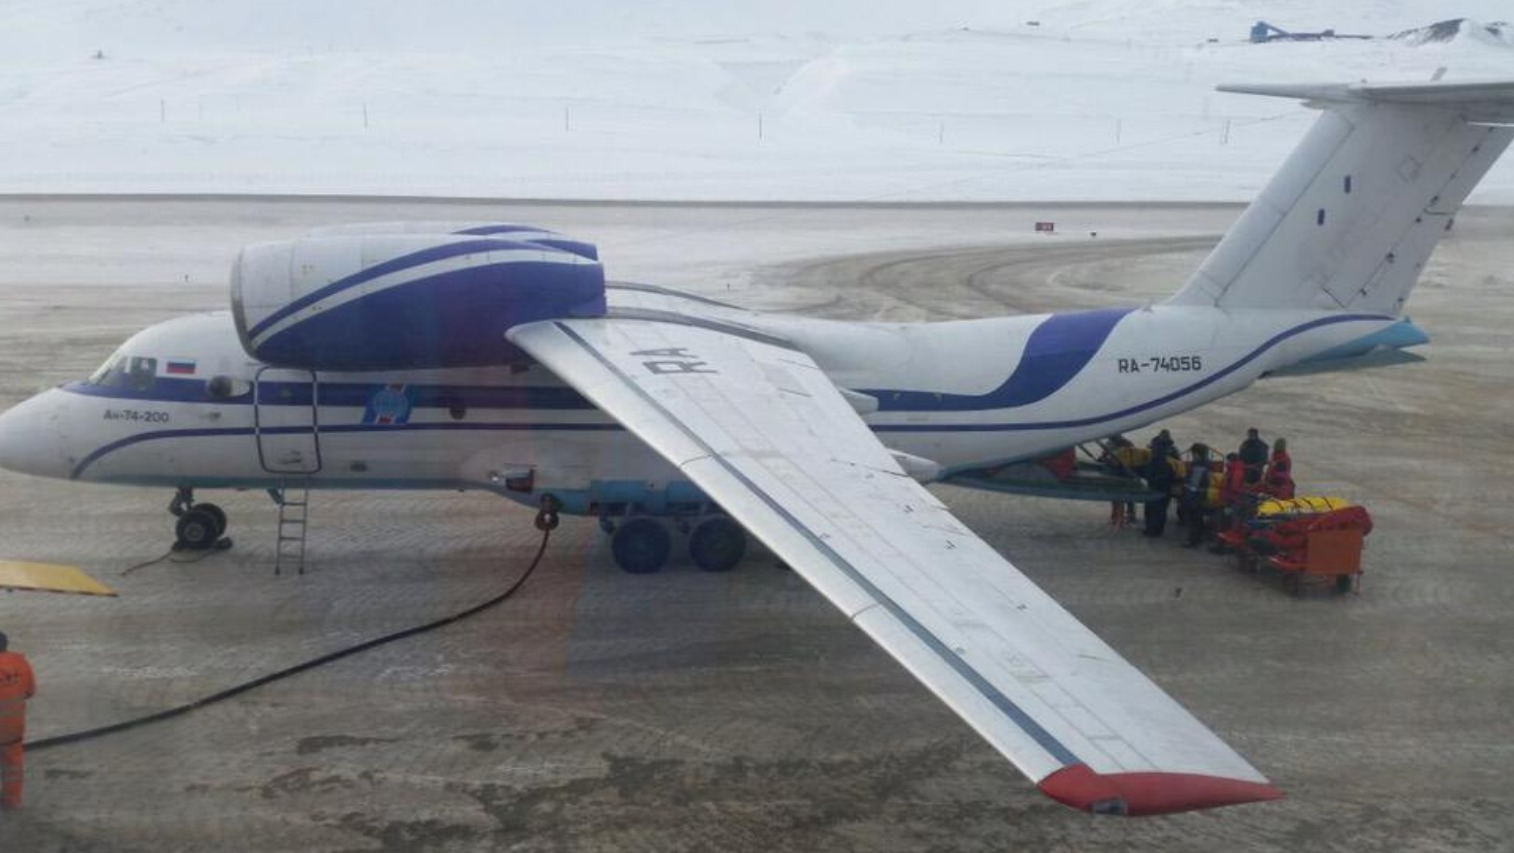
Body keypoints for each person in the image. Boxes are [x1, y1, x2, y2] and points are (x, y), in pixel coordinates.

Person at [0, 630, 35, 810]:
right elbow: (29, 691)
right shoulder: (20, 662)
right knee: (12, 764)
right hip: (13, 727)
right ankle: (12, 800)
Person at [1141, 438, 1177, 537]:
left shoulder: (1153, 462)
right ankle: (1158, 530)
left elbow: (1147, 475)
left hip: (1154, 490)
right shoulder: (1168, 463)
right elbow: (1173, 476)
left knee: (1152, 511)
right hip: (1165, 491)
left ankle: (1151, 530)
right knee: (1161, 511)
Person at [1182, 444, 1213, 547]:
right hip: (1202, 495)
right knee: (1198, 518)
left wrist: (1185, 492)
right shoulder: (1207, 464)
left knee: (1193, 519)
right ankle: (1198, 538)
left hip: (1195, 496)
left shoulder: (1198, 466)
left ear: (1196, 454)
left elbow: (1194, 484)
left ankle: (1193, 541)